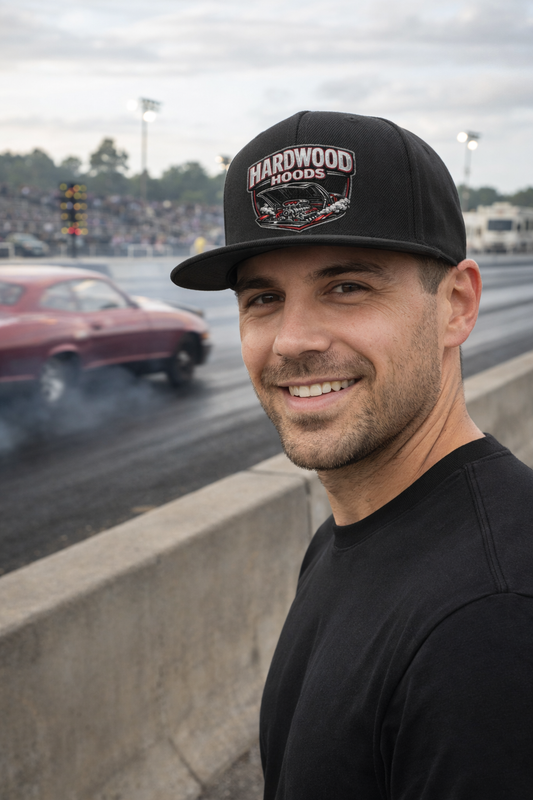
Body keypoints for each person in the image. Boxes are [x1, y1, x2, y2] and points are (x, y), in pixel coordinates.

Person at [171, 112, 533, 799]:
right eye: (263, 298)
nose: (292, 341)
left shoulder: (491, 623)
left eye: (346, 287)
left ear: (455, 304)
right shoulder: (347, 537)